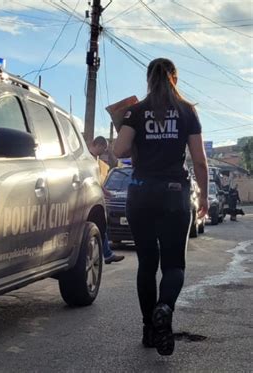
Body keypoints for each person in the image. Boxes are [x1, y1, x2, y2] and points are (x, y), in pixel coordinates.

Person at [114, 58, 208, 356]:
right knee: (174, 265)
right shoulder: (186, 111)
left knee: (147, 264)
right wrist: (203, 195)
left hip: (141, 194)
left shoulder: (136, 110)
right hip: (174, 193)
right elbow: (199, 159)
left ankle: (148, 329)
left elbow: (120, 150)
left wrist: (123, 121)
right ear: (174, 79)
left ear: (148, 80)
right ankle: (164, 308)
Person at [89, 136, 125, 264]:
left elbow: (97, 181)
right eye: (103, 149)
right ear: (97, 145)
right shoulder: (87, 159)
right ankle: (105, 254)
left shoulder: (94, 159)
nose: (103, 152)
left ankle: (107, 253)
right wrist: (104, 192)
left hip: (93, 198)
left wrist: (104, 192)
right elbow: (92, 180)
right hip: (87, 200)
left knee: (100, 226)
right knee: (97, 226)